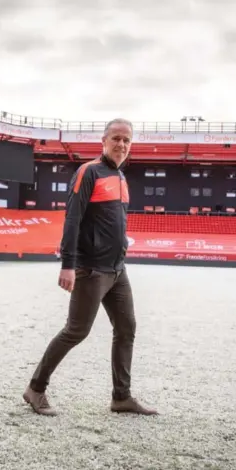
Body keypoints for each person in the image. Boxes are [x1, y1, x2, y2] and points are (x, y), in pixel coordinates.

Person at [23, 118, 158, 416]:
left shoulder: (121, 178)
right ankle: (35, 388)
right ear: (104, 141)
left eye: (127, 140)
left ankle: (121, 397)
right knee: (76, 331)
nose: (122, 144)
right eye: (116, 139)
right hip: (91, 269)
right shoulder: (88, 172)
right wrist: (68, 265)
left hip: (117, 270)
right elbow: (72, 219)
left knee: (127, 328)